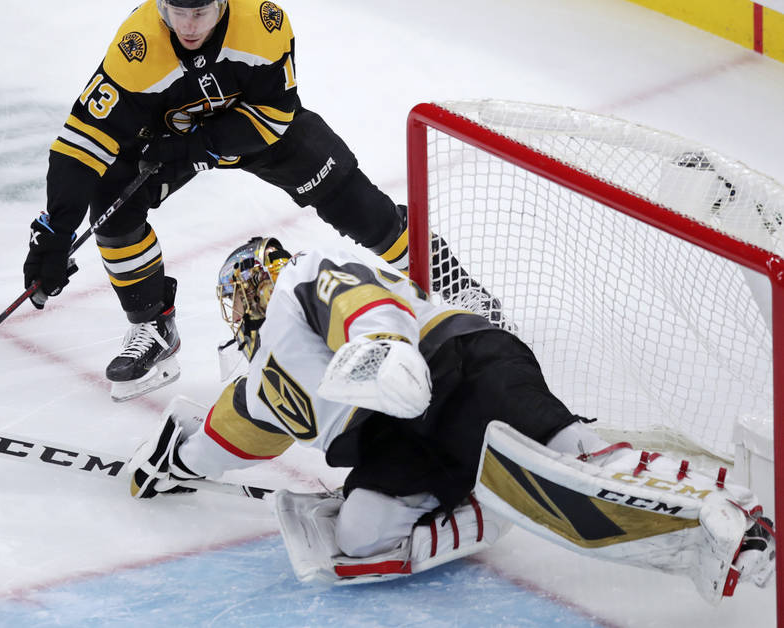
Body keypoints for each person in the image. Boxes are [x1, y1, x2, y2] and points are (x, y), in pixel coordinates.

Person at [125, 236, 776, 603]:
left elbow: (356, 300)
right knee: (359, 539)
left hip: (452, 364)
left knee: (571, 459)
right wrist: (171, 465)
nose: (246, 306)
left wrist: (383, 347)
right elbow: (222, 437)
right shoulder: (260, 384)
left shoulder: (301, 278)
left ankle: (721, 508)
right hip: (394, 433)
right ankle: (494, 501)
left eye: (246, 290)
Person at [22, 0, 504, 403]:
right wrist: (56, 228)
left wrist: (194, 147)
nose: (188, 25)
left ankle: (445, 278)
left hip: (248, 129)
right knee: (110, 207)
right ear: (159, 2)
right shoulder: (136, 48)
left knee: (352, 200)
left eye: (201, 12)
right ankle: (152, 323)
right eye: (177, 11)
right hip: (164, 140)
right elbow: (80, 144)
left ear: (222, 1)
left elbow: (274, 117)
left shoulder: (263, 23)